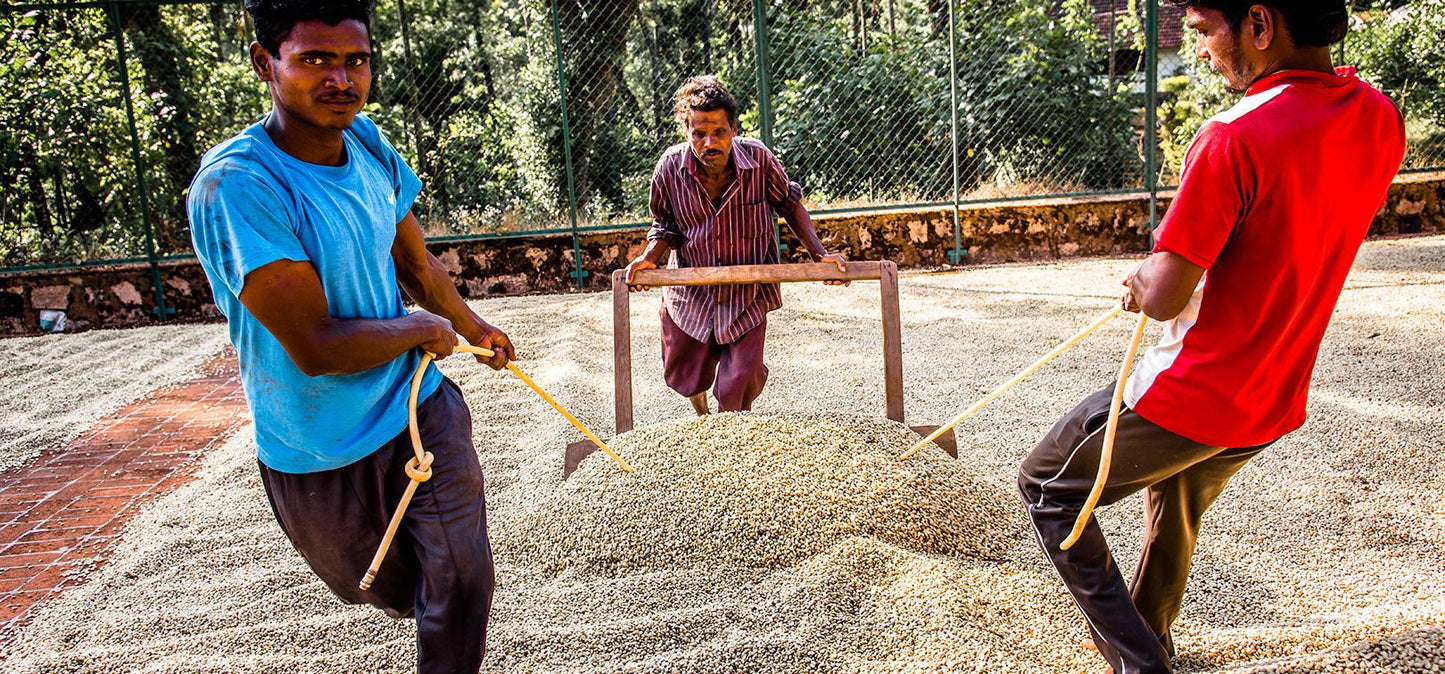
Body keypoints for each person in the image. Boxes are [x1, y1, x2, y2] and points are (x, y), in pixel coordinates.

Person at [1016, 2, 1405, 672]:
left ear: (1258, 24)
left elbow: (1166, 293)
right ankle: (1150, 639)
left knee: (1047, 487)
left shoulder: (1233, 136)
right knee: (1175, 501)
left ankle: (1140, 663)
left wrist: (1142, 279)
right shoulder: (1377, 116)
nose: (1198, 49)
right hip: (1271, 396)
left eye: (1202, 31)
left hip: (1194, 391)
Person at [186, 1, 514, 671]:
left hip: (416, 408)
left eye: (355, 61)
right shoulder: (237, 187)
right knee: (391, 588)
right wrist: (419, 326)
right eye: (315, 60)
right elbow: (316, 347)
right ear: (264, 64)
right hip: (315, 443)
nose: (341, 80)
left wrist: (473, 325)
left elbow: (414, 262)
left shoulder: (365, 141)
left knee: (461, 579)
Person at [623, 75, 847, 415]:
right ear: (687, 133)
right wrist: (649, 257)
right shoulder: (670, 168)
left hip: (747, 292)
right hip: (691, 290)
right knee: (686, 373)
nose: (709, 142)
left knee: (739, 380)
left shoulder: (758, 159)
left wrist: (820, 255)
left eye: (719, 132)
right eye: (699, 134)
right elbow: (665, 223)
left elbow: (789, 205)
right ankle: (701, 411)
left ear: (734, 130)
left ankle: (729, 433)